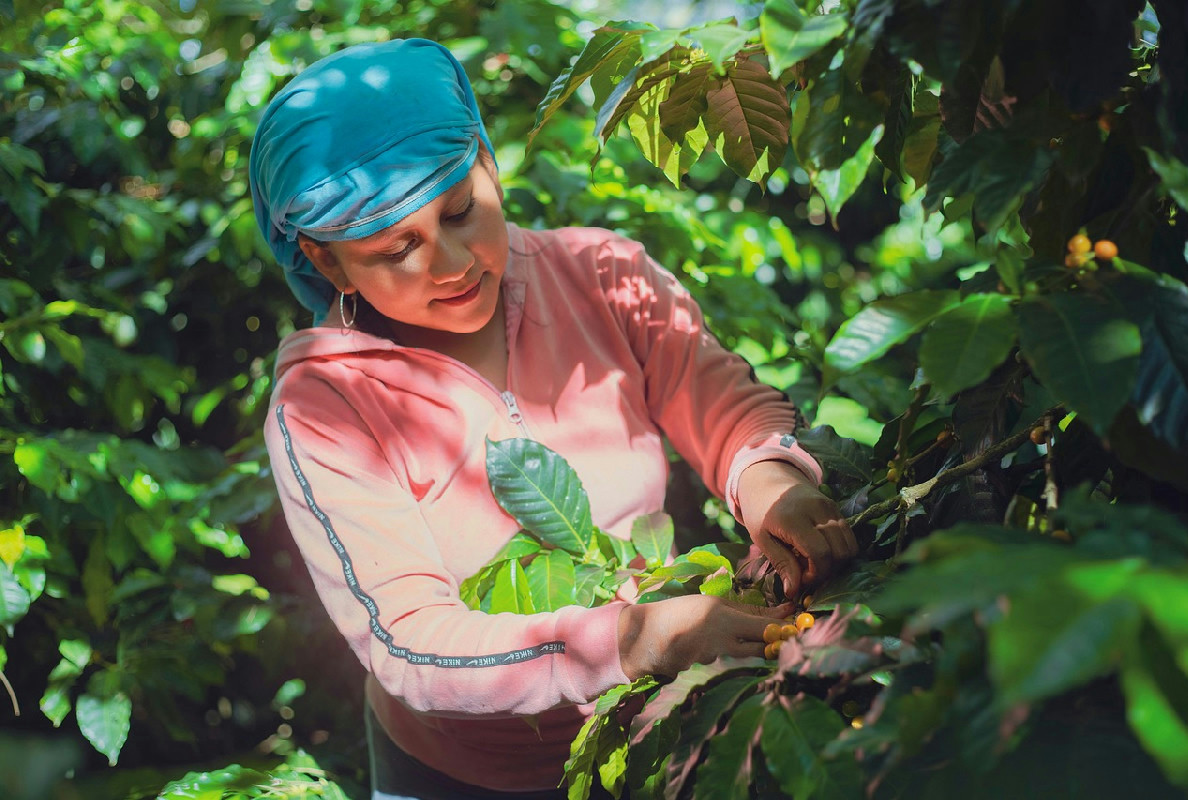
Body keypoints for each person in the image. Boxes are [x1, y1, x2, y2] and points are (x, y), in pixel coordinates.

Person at [249, 37, 857, 799]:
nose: (452, 262)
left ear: (489, 162)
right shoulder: (325, 408)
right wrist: (630, 642)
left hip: (651, 731)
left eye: (463, 211)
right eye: (398, 248)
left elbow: (722, 405)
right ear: (327, 260)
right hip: (458, 777)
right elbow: (407, 641)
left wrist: (776, 488)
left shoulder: (605, 278)